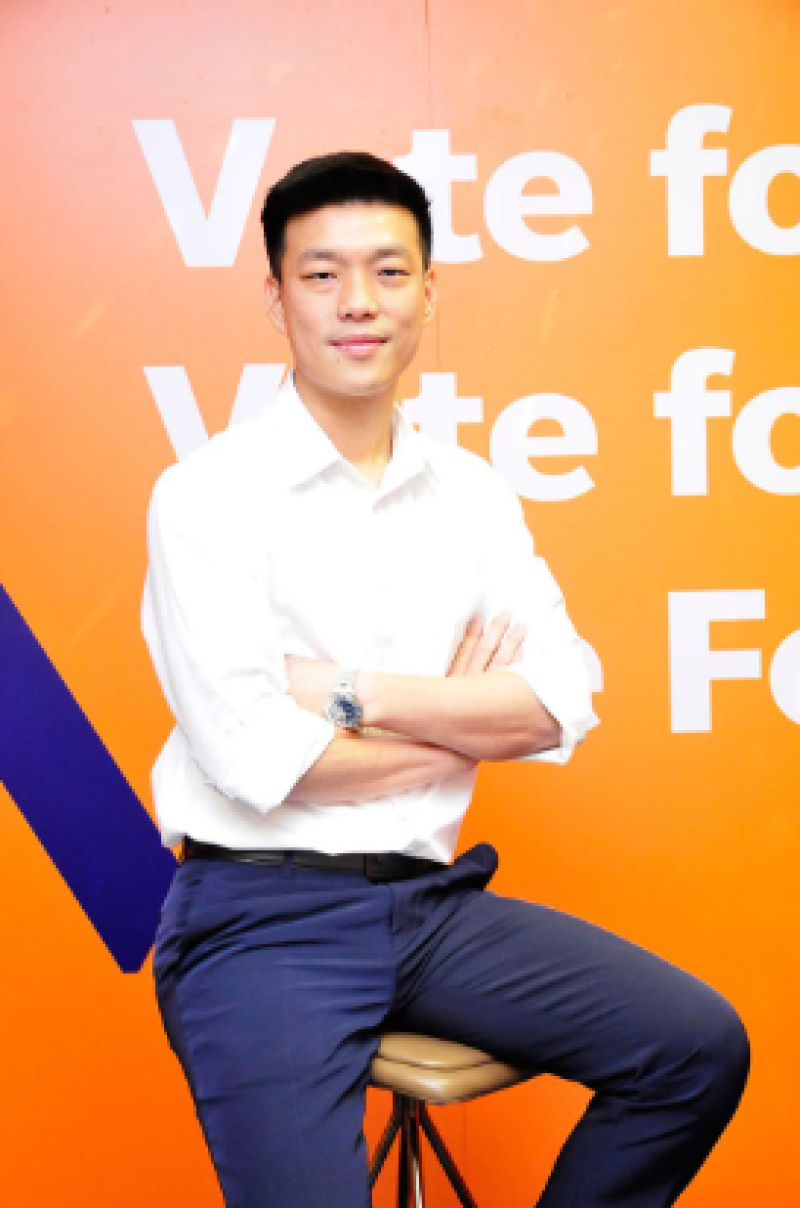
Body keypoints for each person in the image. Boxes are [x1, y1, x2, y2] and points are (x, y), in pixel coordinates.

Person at [142, 151, 749, 1208]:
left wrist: (351, 693)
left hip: (430, 909)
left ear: (429, 291)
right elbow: (256, 760)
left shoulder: (471, 493)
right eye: (322, 274)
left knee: (695, 1047)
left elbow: (561, 698)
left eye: (388, 270)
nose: (358, 301)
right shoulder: (206, 496)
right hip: (260, 917)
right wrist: (468, 725)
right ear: (277, 297)